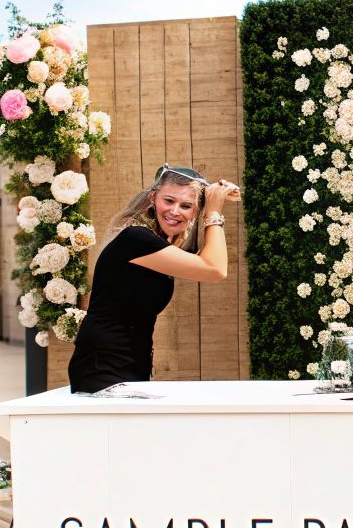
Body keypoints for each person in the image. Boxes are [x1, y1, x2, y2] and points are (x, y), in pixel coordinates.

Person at [66, 165, 240, 393]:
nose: (175, 211)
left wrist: (214, 197)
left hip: (131, 364)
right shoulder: (135, 239)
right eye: (169, 201)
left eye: (186, 206)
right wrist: (214, 211)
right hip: (104, 366)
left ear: (194, 212)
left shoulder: (159, 247)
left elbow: (208, 263)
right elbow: (215, 269)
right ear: (153, 197)